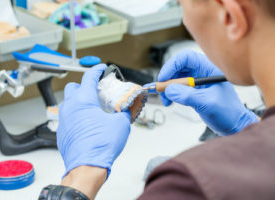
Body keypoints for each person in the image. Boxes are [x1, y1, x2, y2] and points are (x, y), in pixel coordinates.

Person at [38, 0, 275, 199]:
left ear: (231, 17)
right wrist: (249, 127)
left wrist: (80, 178)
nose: (185, 20)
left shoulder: (186, 186)